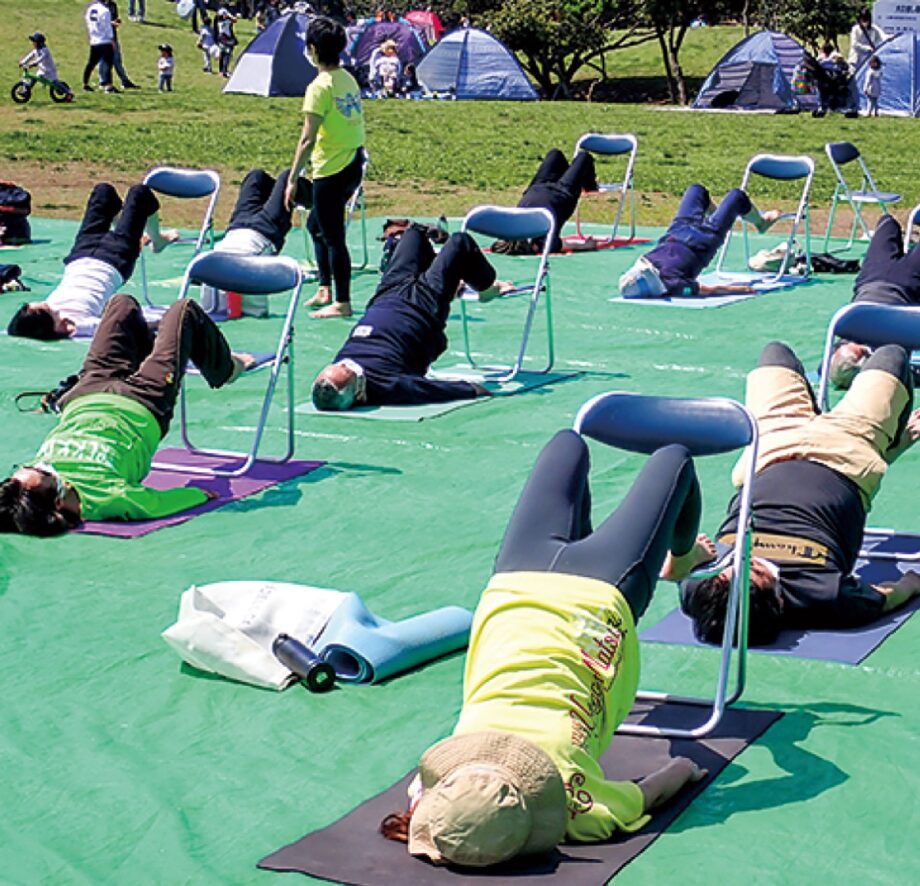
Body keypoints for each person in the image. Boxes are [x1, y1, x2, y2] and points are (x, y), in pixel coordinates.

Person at [380, 431, 715, 866]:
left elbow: (656, 788)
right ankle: (680, 558)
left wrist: (685, 769)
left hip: (591, 596)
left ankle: (675, 558)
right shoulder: (444, 773)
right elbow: (423, 797)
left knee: (667, 459)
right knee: (576, 446)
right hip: (517, 588)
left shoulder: (576, 811)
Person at [680, 341, 920, 646]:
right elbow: (889, 595)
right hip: (845, 451)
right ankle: (888, 443)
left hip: (770, 447)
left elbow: (675, 567)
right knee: (891, 355)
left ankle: (827, 397)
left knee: (774, 354)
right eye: (755, 573)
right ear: (778, 601)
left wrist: (689, 557)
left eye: (730, 571)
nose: (741, 562)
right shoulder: (825, 595)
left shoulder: (702, 589)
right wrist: (912, 584)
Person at [0, 294, 253, 536]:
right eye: (44, 473)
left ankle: (154, 352)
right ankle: (227, 368)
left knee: (122, 305)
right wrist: (196, 495)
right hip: (142, 400)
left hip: (86, 393)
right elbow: (155, 503)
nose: (40, 465)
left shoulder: (29, 489)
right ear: (58, 500)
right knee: (184, 311)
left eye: (27, 467)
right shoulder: (109, 498)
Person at [311, 224, 509, 409]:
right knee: (460, 242)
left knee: (413, 234)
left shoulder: (336, 374)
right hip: (423, 307)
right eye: (351, 371)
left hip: (386, 295)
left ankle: (449, 278)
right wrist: (473, 390)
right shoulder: (388, 386)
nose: (347, 364)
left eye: (343, 364)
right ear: (360, 394)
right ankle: (487, 288)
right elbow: (439, 389)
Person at [6, 182, 177, 341]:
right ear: (58, 327)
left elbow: (18, 327)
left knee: (103, 192)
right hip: (115, 260)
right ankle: (157, 240)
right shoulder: (79, 324)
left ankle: (125, 229)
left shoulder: (48, 311)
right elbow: (124, 325)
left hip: (80, 256)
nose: (37, 305)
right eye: (38, 309)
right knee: (140, 194)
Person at [284, 16, 366, 319]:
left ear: (314, 49)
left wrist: (293, 178)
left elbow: (307, 138)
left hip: (331, 171)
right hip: (353, 163)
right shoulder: (347, 78)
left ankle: (342, 302)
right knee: (316, 227)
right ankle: (324, 287)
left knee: (333, 237)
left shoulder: (319, 87)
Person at [619, 183, 779, 298]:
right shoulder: (672, 285)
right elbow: (709, 291)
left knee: (696, 190)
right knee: (737, 197)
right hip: (703, 241)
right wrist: (738, 290)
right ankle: (761, 222)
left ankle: (718, 217)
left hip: (676, 231)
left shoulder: (646, 263)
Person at [828, 214, 920, 389]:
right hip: (908, 284)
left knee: (887, 223)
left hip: (871, 279)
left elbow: (827, 369)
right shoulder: (886, 352)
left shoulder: (846, 333)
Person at [200, 168, 303, 318]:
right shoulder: (236, 276)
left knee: (256, 176)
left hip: (236, 227)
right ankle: (320, 199)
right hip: (265, 231)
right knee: (287, 177)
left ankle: (277, 193)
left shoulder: (208, 269)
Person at [492, 149, 599, 256]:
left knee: (556, 154)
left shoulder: (514, 227)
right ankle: (590, 186)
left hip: (538, 186)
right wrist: (587, 245)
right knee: (583, 157)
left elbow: (498, 243)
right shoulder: (544, 242)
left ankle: (571, 175)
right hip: (563, 192)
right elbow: (572, 245)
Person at [83, 0, 116, 93]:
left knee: (91, 63)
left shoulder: (91, 8)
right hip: (104, 40)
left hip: (94, 39)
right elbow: (107, 27)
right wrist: (112, 38)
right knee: (108, 63)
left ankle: (85, 83)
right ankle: (108, 86)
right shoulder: (105, 10)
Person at [106, 0, 140, 89]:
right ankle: (104, 83)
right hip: (103, 38)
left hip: (113, 36)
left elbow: (114, 18)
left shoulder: (113, 5)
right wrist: (110, 23)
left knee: (117, 60)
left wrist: (116, 22)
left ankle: (125, 81)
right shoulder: (98, 6)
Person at [216, 7, 238, 78]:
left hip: (221, 39)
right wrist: (230, 16)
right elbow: (235, 20)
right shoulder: (227, 22)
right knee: (227, 55)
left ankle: (221, 71)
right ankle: (224, 71)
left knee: (222, 55)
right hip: (226, 39)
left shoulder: (219, 22)